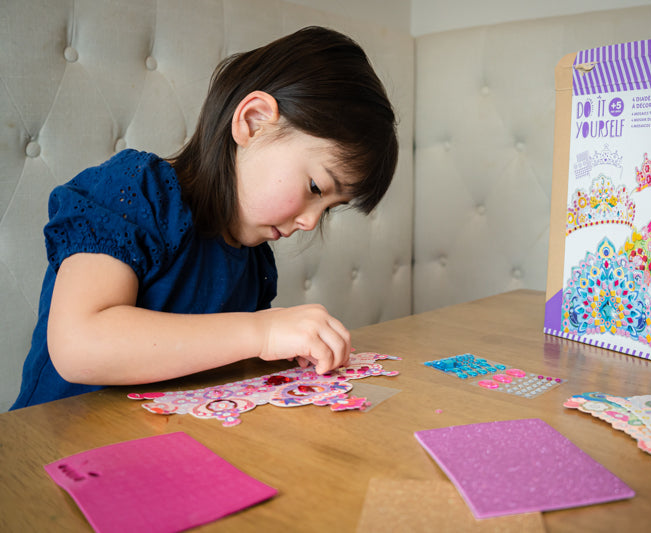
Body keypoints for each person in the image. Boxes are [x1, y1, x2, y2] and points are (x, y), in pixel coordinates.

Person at [11, 26, 398, 409]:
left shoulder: (253, 258)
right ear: (254, 121)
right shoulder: (136, 190)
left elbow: (208, 369)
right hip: (53, 449)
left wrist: (275, 353)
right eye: (316, 188)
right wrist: (259, 333)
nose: (311, 223)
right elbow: (79, 345)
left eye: (328, 209)